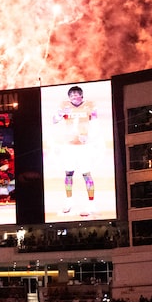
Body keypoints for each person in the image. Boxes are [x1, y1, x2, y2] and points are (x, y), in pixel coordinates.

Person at [52, 85, 98, 215]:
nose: (74, 97)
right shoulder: (64, 105)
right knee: (68, 174)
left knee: (86, 175)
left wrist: (90, 138)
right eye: (71, 95)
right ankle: (69, 201)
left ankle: (91, 204)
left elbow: (95, 123)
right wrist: (61, 113)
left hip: (84, 146)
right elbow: (54, 120)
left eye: (77, 95)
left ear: (82, 96)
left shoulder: (89, 105)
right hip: (69, 146)